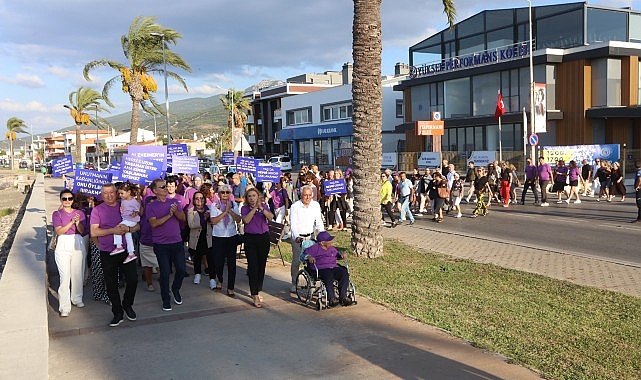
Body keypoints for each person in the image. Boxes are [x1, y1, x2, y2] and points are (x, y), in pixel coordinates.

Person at [90, 183, 138, 327]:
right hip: (108, 252)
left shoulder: (124, 205)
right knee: (111, 285)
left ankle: (127, 304)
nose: (109, 195)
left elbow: (138, 225)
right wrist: (112, 231)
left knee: (133, 280)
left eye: (112, 192)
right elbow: (94, 232)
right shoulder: (97, 210)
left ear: (116, 193)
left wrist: (129, 228)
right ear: (102, 194)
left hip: (125, 251)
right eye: (105, 193)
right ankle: (117, 313)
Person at [146, 178, 187, 312]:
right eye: (162, 187)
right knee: (164, 273)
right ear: (155, 191)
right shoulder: (151, 206)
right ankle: (166, 299)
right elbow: (154, 224)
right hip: (161, 244)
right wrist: (169, 215)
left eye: (165, 186)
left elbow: (183, 218)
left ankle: (175, 289)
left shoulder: (174, 202)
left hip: (176, 242)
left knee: (181, 269)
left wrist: (175, 212)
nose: (165, 188)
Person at [52, 189, 87, 317]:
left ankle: (77, 298)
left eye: (69, 199)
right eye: (64, 199)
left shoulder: (79, 213)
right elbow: (59, 231)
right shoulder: (57, 214)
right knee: (65, 275)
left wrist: (77, 223)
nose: (67, 201)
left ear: (73, 200)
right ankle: (64, 306)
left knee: (77, 273)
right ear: (61, 200)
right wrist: (71, 222)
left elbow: (82, 231)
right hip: (63, 243)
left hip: (77, 241)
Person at [299, 231, 352, 307]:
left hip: (333, 267)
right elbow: (303, 255)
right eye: (328, 241)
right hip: (321, 268)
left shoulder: (332, 248)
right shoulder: (314, 248)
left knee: (344, 272)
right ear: (322, 243)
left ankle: (343, 297)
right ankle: (332, 299)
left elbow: (338, 255)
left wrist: (342, 255)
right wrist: (309, 257)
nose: (330, 242)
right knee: (328, 275)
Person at [241, 187, 274, 307]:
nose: (251, 198)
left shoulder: (264, 206)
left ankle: (258, 289)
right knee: (253, 266)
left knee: (261, 265)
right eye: (249, 196)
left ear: (258, 197)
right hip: (250, 239)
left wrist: (261, 208)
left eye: (254, 196)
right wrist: (254, 209)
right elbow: (246, 221)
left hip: (263, 238)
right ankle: (254, 294)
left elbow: (270, 217)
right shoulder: (245, 208)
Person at [289, 185, 325, 292]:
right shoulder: (295, 206)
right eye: (305, 195)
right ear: (301, 195)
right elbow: (293, 224)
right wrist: (296, 237)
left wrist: (323, 235)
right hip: (298, 237)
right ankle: (294, 283)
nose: (308, 197)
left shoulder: (315, 205)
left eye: (310, 195)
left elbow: (319, 222)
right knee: (297, 261)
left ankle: (312, 283)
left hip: (310, 236)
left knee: (312, 260)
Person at [209, 184, 242, 294]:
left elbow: (238, 220)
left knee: (232, 263)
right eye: (222, 192)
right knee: (218, 262)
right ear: (219, 194)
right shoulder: (214, 205)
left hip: (231, 236)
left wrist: (230, 211)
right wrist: (224, 212)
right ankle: (220, 279)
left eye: (227, 192)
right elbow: (213, 221)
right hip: (219, 236)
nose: (225, 194)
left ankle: (230, 287)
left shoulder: (234, 205)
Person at [110, 182, 140, 264]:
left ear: (129, 192)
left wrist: (135, 213)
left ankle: (119, 246)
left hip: (131, 220)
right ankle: (131, 253)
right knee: (128, 236)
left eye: (122, 193)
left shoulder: (133, 201)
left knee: (118, 228)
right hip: (127, 219)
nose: (120, 195)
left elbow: (138, 209)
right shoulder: (123, 200)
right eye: (119, 193)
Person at [187, 191, 212, 285]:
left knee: (209, 255)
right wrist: (204, 220)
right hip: (196, 237)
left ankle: (211, 276)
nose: (199, 200)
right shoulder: (191, 211)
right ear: (193, 200)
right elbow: (191, 224)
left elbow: (213, 222)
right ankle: (197, 274)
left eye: (201, 198)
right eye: (197, 198)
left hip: (208, 236)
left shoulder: (209, 209)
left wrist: (209, 218)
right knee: (197, 257)